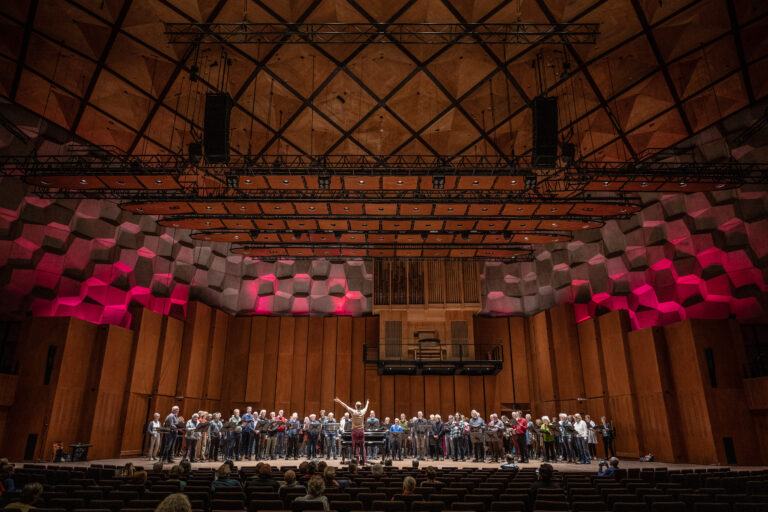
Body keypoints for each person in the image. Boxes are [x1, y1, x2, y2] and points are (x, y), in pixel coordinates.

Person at [334, 397, 369, 465]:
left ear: (355, 406)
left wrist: (339, 401)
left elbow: (345, 405)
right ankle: (364, 461)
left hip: (355, 431)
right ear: (360, 406)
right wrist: (367, 402)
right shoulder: (363, 411)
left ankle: (357, 461)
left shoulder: (353, 411)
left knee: (355, 446)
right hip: (361, 431)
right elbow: (366, 407)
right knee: (363, 446)